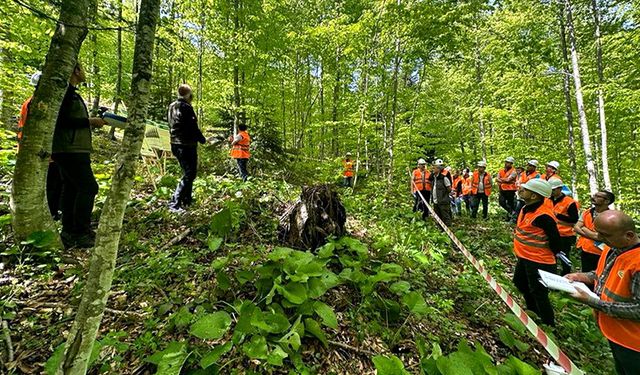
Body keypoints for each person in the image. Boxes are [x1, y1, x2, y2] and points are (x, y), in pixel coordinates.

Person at [565, 210, 640, 375]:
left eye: (605, 235)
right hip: (615, 334)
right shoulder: (612, 248)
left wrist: (593, 302)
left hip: (634, 343)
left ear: (628, 235)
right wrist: (584, 276)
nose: (599, 238)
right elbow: (603, 273)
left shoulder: (637, 263)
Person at [52, 63, 106, 248]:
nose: (84, 72)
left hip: (72, 148)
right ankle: (81, 233)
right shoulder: (65, 93)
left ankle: (69, 231)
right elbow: (61, 120)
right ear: (75, 71)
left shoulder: (70, 93)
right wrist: (89, 121)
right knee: (89, 187)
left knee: (72, 188)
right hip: (69, 149)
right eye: (81, 68)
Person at [513, 179, 564, 326]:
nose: (521, 190)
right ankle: (532, 313)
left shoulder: (544, 216)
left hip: (539, 261)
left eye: (526, 189)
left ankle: (548, 326)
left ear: (534, 196)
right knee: (520, 283)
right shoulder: (526, 208)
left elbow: (556, 242)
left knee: (539, 294)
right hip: (525, 257)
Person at [18, 71, 63, 221]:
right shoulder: (38, 104)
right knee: (51, 185)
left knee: (51, 185)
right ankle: (50, 215)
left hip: (34, 151)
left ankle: (52, 213)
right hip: (42, 153)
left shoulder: (30, 102)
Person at [168, 84, 206, 212]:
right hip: (185, 145)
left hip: (176, 144)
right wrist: (202, 139)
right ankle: (175, 203)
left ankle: (187, 200)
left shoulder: (172, 106)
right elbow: (192, 127)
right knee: (190, 173)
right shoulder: (186, 107)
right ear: (189, 95)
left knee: (189, 173)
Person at [574, 190, 615, 272]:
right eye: (594, 195)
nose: (594, 197)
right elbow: (576, 227)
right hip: (585, 250)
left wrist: (584, 229)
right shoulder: (587, 212)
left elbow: (602, 238)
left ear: (607, 201)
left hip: (602, 253)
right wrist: (593, 235)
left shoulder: (612, 216)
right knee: (586, 275)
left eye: (598, 196)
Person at [549, 178, 579, 275]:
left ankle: (566, 275)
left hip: (565, 235)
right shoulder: (548, 200)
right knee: (551, 255)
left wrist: (558, 215)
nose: (552, 192)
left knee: (564, 256)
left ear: (560, 189)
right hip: (551, 233)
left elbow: (574, 219)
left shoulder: (569, 202)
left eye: (554, 190)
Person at [430, 159, 452, 226]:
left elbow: (449, 189)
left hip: (443, 201)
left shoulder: (444, 178)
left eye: (435, 168)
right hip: (435, 201)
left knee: (445, 216)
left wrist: (443, 195)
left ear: (439, 169)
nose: (433, 169)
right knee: (438, 216)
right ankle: (440, 229)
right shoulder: (434, 178)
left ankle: (448, 229)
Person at [497, 157, 518, 222]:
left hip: (510, 190)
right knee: (501, 202)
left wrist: (501, 179)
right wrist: (504, 180)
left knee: (510, 204)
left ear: (511, 164)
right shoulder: (501, 170)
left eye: (508, 163)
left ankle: (511, 217)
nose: (506, 164)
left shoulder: (514, 171)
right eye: (506, 162)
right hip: (502, 189)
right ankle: (512, 212)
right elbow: (497, 178)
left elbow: (509, 179)